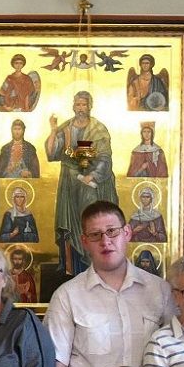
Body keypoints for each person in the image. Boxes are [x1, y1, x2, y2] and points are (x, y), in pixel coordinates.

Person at [45, 200, 171, 367]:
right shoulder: (67, 296)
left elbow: (175, 355)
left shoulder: (160, 291)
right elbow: (56, 366)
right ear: (84, 242)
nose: (105, 241)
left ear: (127, 233)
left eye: (112, 231)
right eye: (95, 235)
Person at [44, 91, 119, 275]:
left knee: (90, 220)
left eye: (84, 104)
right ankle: (73, 269)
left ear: (89, 106)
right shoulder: (66, 128)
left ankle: (95, 266)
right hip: (70, 184)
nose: (80, 108)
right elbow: (52, 154)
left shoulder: (98, 129)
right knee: (71, 224)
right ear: (73, 106)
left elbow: (105, 157)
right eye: (77, 104)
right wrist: (53, 130)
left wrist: (92, 176)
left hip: (91, 185)